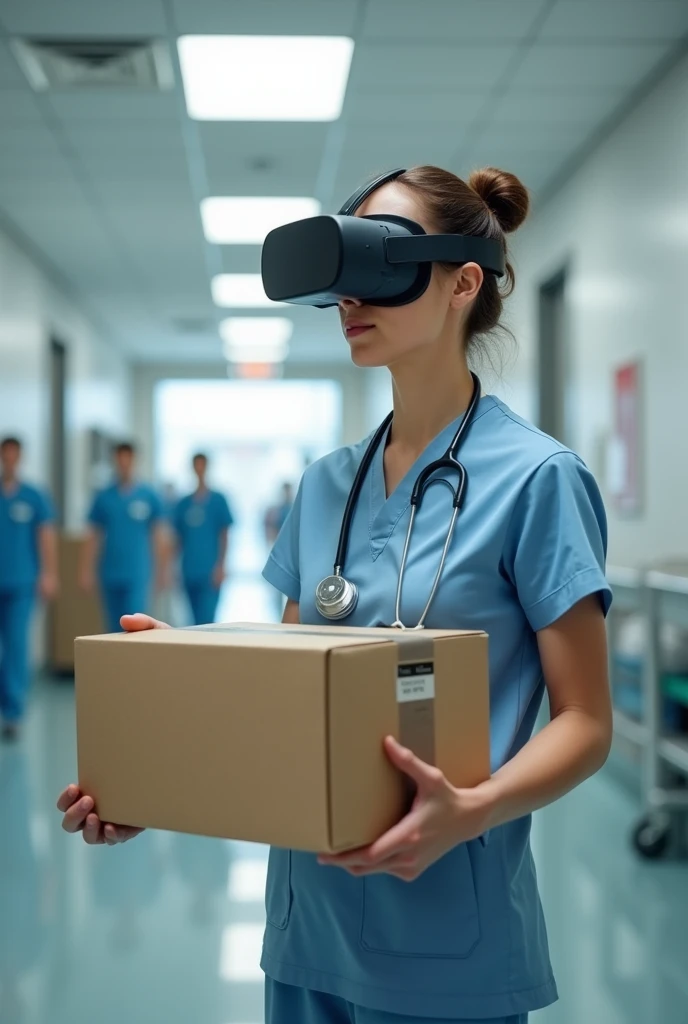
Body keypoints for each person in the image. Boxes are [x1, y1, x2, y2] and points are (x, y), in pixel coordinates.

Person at [57, 165, 613, 1024]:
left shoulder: (540, 480)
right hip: (306, 929)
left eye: (381, 265)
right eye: (344, 276)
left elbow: (586, 720)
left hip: (444, 930)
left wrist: (471, 811)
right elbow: (292, 698)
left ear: (464, 282)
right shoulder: (326, 485)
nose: (351, 298)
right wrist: (162, 758)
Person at [0, 437, 57, 741]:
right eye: (4, 456)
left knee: (16, 646)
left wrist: (48, 573)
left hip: (21, 583)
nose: (9, 460)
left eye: (13, 456)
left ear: (19, 457)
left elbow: (45, 536)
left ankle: (13, 712)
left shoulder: (33, 496)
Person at [79, 442, 166, 633]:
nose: (124, 463)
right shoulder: (104, 497)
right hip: (110, 572)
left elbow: (158, 536)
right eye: (120, 458)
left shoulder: (148, 496)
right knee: (113, 627)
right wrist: (86, 570)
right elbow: (93, 536)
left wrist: (162, 572)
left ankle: (135, 663)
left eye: (128, 458)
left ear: (135, 460)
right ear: (115, 461)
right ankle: (114, 663)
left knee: (136, 624)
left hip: (137, 571)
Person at [171, 453, 234, 625]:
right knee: (192, 621)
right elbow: (178, 540)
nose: (199, 470)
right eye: (196, 466)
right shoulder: (183, 504)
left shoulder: (218, 501)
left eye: (202, 466)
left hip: (210, 572)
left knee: (207, 620)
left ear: (206, 468)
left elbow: (224, 534)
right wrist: (172, 568)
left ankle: (208, 651)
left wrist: (221, 566)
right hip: (189, 570)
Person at [264, 482, 295, 547]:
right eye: (285, 492)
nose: (287, 494)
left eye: (288, 491)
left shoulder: (296, 509)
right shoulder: (277, 511)